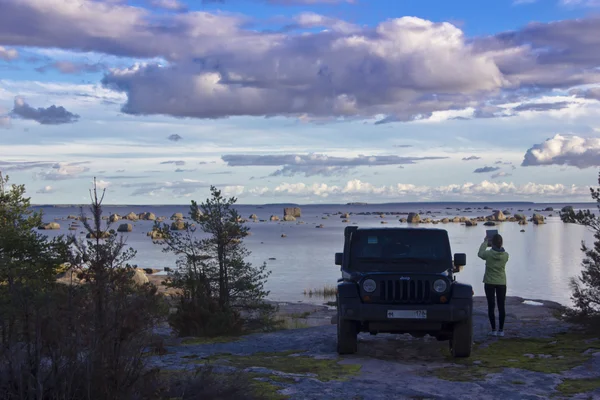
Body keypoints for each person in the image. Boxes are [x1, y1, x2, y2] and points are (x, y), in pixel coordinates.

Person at [477, 233, 509, 337]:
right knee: (501, 306)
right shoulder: (506, 255)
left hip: (489, 282)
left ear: (492, 243)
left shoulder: (488, 254)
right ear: (501, 243)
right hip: (501, 283)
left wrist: (486, 242)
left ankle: (493, 330)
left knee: (491, 306)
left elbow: (480, 253)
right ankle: (501, 330)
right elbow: (501, 252)